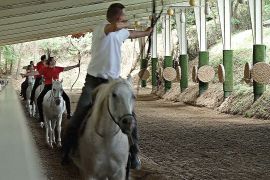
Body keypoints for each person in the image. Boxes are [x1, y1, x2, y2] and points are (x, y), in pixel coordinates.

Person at [62, 3, 153, 170]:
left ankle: (133, 153)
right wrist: (133, 21)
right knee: (80, 111)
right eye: (124, 16)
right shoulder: (101, 29)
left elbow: (131, 33)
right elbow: (118, 26)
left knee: (129, 115)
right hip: (93, 81)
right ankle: (68, 148)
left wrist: (147, 32)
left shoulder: (121, 32)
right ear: (118, 17)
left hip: (113, 82)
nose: (126, 19)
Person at [34, 57, 79, 124]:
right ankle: (42, 118)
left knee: (66, 98)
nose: (54, 61)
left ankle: (69, 114)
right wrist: (26, 74)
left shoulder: (57, 68)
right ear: (50, 62)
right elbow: (36, 73)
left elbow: (66, 68)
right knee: (39, 100)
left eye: (54, 60)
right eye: (53, 60)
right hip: (48, 86)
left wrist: (76, 66)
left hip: (57, 86)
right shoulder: (45, 69)